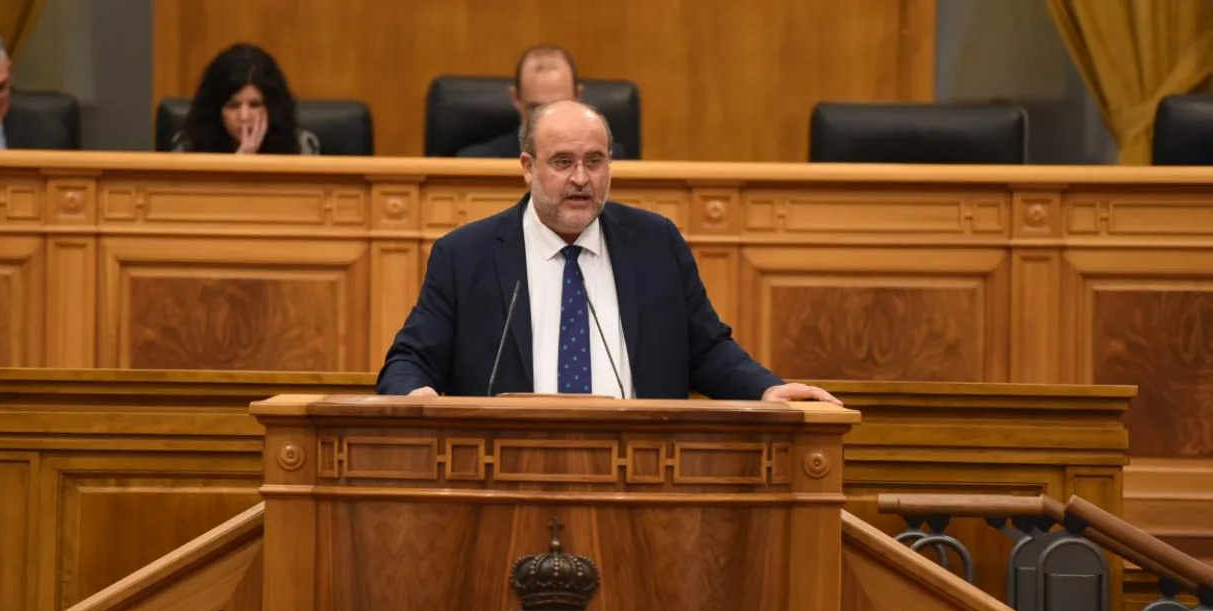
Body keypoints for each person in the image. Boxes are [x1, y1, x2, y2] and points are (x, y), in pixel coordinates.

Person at [378, 100, 840, 405]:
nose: (581, 178)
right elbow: (410, 359)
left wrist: (766, 389)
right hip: (507, 474)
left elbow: (706, 350)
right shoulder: (466, 255)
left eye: (594, 162)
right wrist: (413, 395)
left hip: (640, 471)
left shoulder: (656, 244)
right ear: (527, 168)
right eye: (562, 162)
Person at [457, 45, 628, 159]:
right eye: (536, 109)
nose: (549, 121)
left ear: (578, 96)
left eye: (558, 107)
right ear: (515, 98)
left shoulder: (611, 160)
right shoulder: (477, 163)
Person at [172, 43, 319, 155]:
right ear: (216, 109)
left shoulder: (301, 147)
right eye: (233, 105)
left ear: (272, 107)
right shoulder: (188, 148)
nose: (244, 116)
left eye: (255, 105)